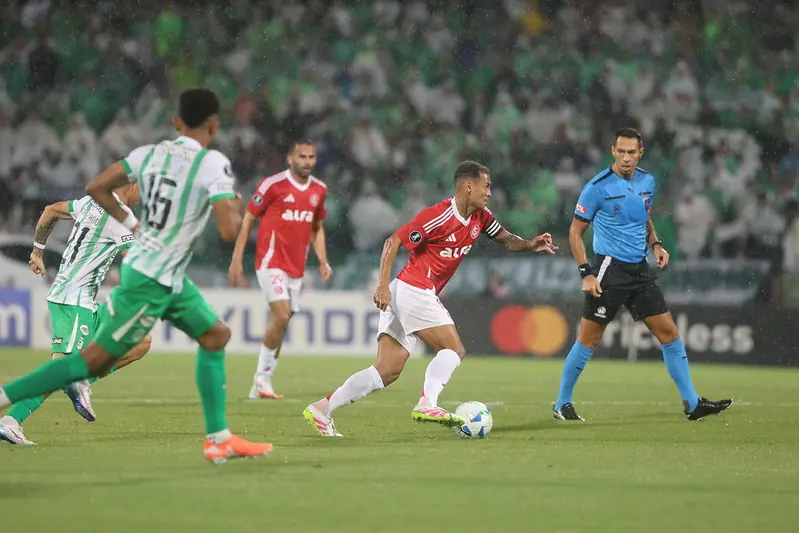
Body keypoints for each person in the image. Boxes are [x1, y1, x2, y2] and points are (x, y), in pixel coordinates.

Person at [0, 88, 273, 463]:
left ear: (176, 122)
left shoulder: (148, 155)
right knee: (79, 364)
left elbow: (94, 188)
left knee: (210, 335)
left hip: (163, 273)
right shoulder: (212, 163)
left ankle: (218, 439)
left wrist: (128, 225)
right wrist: (232, 208)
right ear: (214, 125)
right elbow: (228, 230)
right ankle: (10, 403)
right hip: (150, 275)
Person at [303, 160, 558, 436]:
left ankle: (322, 408)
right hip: (413, 289)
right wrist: (382, 286)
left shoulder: (481, 217)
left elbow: (506, 239)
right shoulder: (439, 216)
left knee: (388, 370)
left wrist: (530, 244)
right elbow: (393, 241)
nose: (489, 193)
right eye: (486, 186)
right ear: (468, 186)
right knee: (454, 350)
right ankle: (427, 403)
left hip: (405, 292)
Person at [553, 127, 733, 422]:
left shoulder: (647, 181)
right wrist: (586, 273)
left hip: (639, 269)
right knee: (589, 340)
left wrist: (656, 244)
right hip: (609, 270)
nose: (626, 158)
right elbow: (575, 232)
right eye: (621, 152)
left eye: (632, 152)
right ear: (613, 151)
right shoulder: (596, 187)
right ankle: (562, 403)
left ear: (640, 153)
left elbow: (643, 217)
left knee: (670, 334)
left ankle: (692, 403)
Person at [0, 185, 152, 445]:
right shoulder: (120, 215)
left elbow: (51, 210)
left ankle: (80, 380)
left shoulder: (88, 203)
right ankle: (11, 419)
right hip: (73, 300)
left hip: (82, 301)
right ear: (132, 184)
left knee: (140, 341)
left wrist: (37, 250)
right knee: (59, 369)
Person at [228, 139, 331, 400]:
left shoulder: (319, 190)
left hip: (296, 268)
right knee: (282, 316)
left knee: (281, 324)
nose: (307, 162)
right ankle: (261, 379)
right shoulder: (272, 185)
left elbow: (317, 227)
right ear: (290, 159)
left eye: (311, 157)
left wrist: (323, 260)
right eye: (302, 156)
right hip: (270, 261)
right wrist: (236, 259)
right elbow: (249, 218)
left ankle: (261, 382)